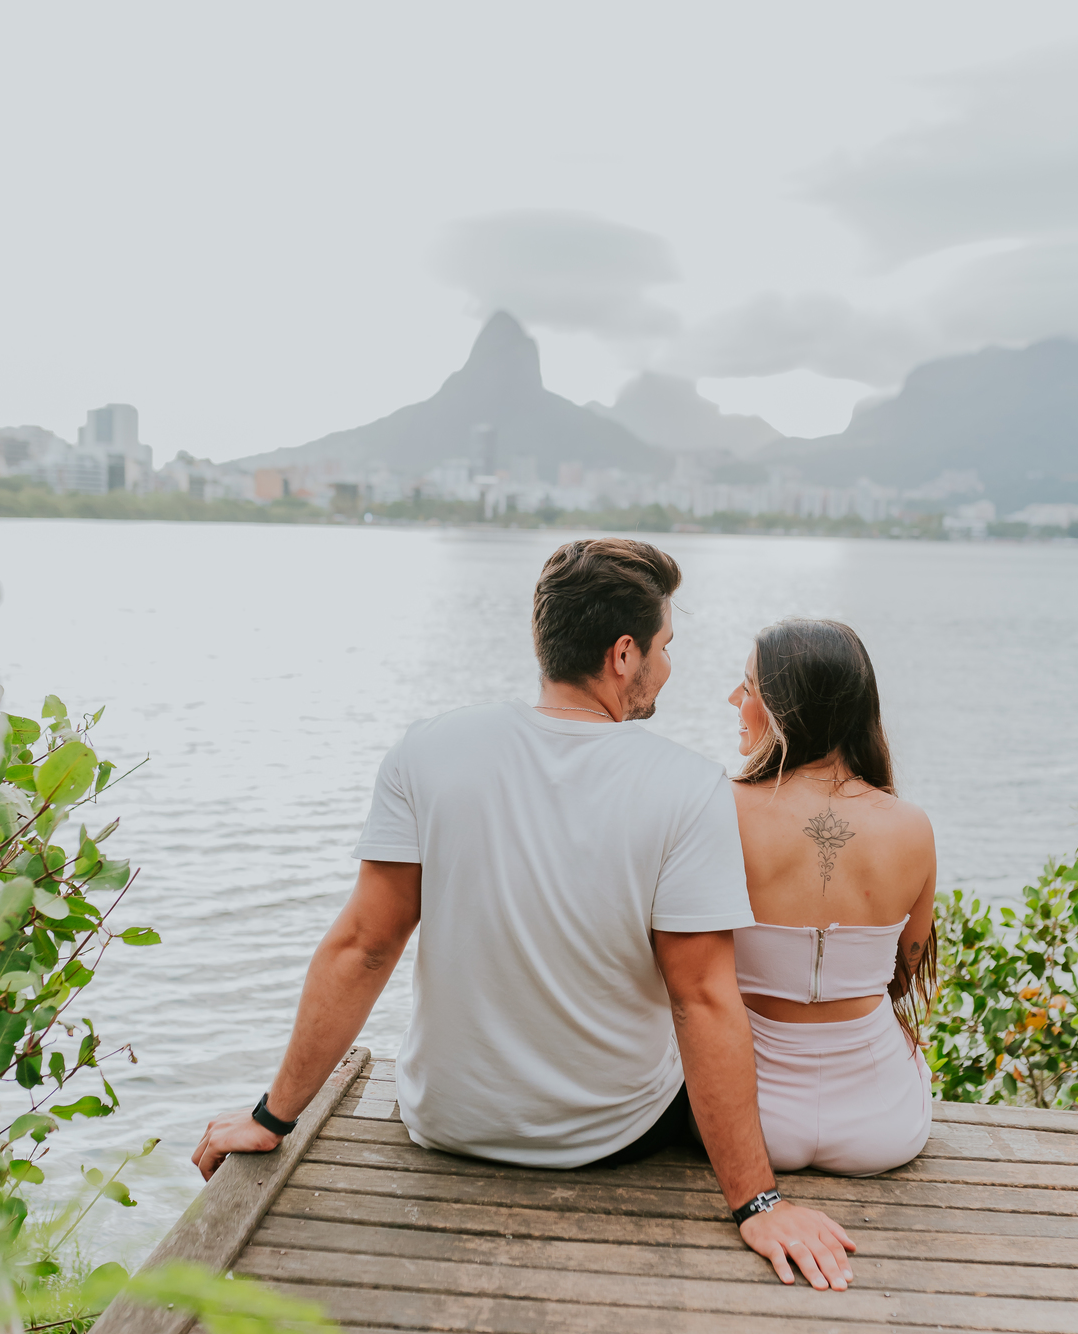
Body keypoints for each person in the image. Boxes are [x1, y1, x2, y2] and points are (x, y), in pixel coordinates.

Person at [193, 540, 856, 1290]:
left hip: (446, 1124)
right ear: (624, 653)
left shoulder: (429, 750)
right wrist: (757, 1202)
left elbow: (362, 946)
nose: (669, 667)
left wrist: (271, 1117)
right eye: (666, 646)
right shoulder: (688, 787)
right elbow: (701, 997)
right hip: (613, 1135)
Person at [728, 617, 936, 1175]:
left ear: (786, 707)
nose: (733, 699)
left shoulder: (720, 809)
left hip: (746, 1116)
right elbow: (906, 967)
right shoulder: (912, 826)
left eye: (747, 687)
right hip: (883, 1121)